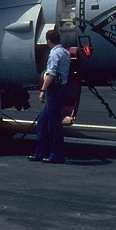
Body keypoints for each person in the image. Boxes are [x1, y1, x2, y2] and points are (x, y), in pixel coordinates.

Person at [30, 30, 70, 164]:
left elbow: (50, 74)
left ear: (48, 41)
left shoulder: (54, 53)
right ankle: (40, 153)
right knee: (42, 122)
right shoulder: (65, 52)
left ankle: (56, 155)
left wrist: (42, 90)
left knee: (53, 125)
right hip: (62, 89)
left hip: (54, 90)